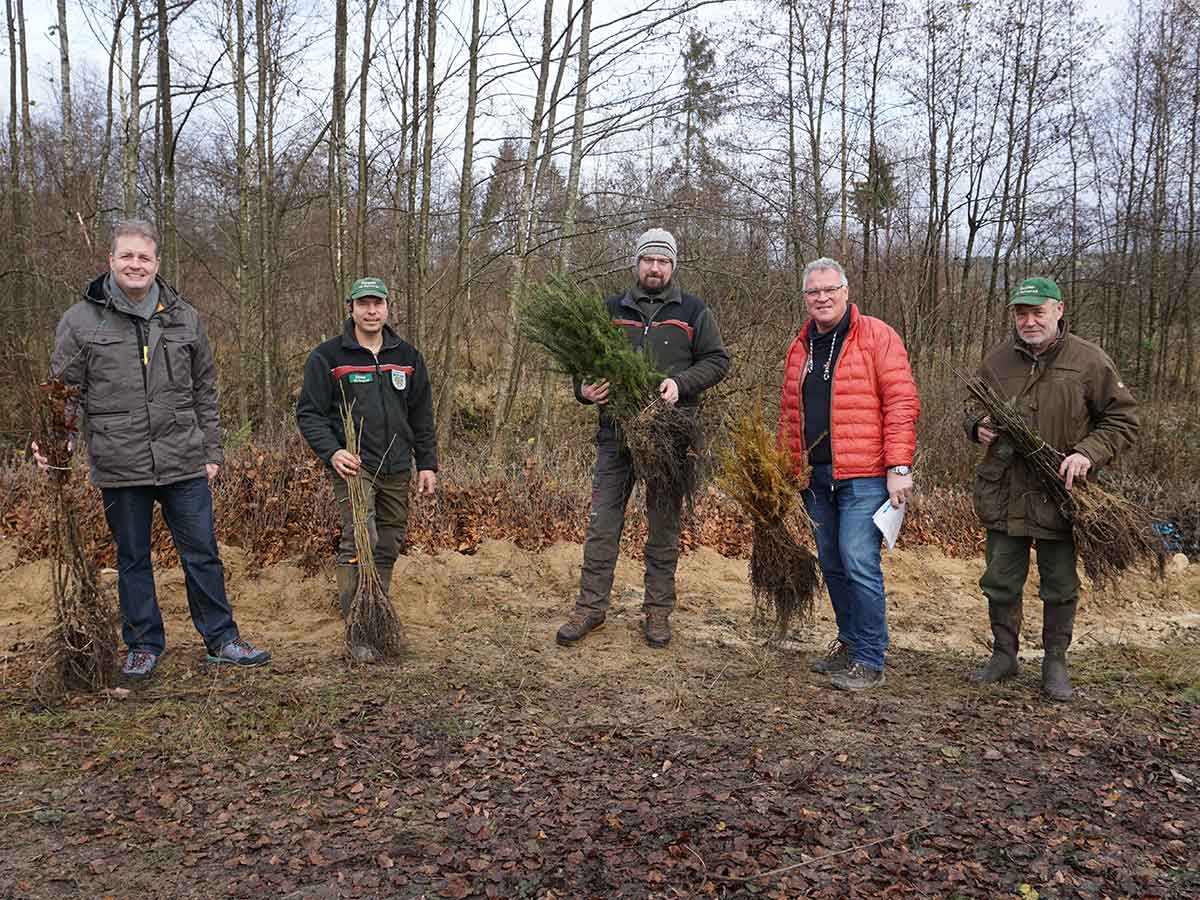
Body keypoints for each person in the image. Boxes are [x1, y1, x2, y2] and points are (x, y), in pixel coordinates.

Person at [32, 219, 270, 679]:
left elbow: (205, 389)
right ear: (111, 261)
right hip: (120, 462)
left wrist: (212, 450)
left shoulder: (184, 315)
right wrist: (57, 448)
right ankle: (142, 644)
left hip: (183, 457)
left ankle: (222, 639)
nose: (135, 264)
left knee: (202, 552)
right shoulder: (80, 321)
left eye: (144, 257)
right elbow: (64, 394)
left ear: (157, 263)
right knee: (132, 557)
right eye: (127, 256)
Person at [555, 228, 730, 649]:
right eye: (648, 259)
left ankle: (657, 613)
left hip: (670, 439)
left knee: (664, 527)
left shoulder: (693, 311)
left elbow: (718, 361)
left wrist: (680, 384)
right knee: (602, 525)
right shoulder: (611, 309)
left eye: (663, 261)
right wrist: (584, 389)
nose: (655, 267)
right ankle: (590, 609)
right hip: (615, 436)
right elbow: (583, 362)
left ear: (673, 266)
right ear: (636, 263)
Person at [965, 276, 1137, 701]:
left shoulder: (1090, 361)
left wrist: (1087, 453)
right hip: (1005, 490)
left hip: (1061, 493)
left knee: (1060, 584)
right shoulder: (997, 360)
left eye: (1037, 312)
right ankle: (1004, 656)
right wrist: (976, 427)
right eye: (1021, 313)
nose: (1029, 321)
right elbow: (972, 406)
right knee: (1000, 580)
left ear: (1059, 310)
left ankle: (1054, 662)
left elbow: (1122, 420)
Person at [778, 257, 919, 691]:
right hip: (817, 479)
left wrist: (898, 466)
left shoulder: (877, 336)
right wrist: (787, 471)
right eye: (813, 292)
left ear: (845, 291)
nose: (821, 298)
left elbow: (901, 403)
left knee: (858, 560)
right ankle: (849, 641)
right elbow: (789, 415)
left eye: (829, 289)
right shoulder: (800, 346)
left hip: (865, 476)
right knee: (834, 564)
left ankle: (870, 658)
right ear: (804, 298)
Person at [296, 276, 437, 661]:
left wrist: (427, 464)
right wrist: (333, 452)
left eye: (377, 303)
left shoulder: (407, 356)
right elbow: (309, 414)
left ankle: (377, 613)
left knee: (389, 541)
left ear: (388, 307)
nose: (371, 311)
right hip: (355, 467)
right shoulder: (329, 357)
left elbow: (422, 414)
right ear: (351, 309)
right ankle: (357, 628)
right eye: (363, 304)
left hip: (397, 466)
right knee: (361, 540)